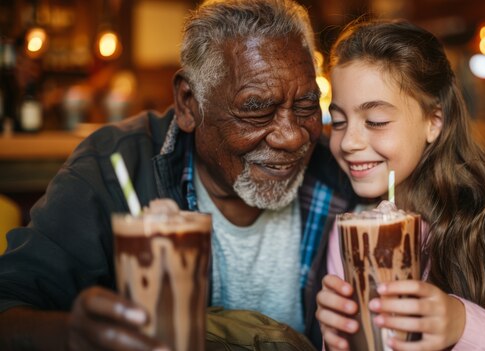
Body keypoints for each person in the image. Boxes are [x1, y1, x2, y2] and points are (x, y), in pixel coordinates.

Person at [0, 0, 356, 349]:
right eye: (257, 110)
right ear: (189, 103)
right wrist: (71, 334)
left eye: (307, 105)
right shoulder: (111, 167)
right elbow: (9, 304)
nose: (292, 135)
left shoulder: (341, 170)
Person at [315, 19, 485, 350]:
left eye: (376, 121)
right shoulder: (350, 230)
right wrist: (340, 340)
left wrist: (463, 325)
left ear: (434, 121)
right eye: (339, 122)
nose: (348, 142)